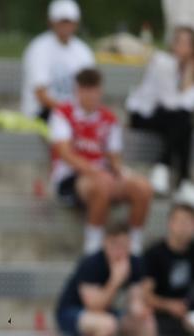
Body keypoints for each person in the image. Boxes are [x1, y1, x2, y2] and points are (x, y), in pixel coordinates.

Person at [50, 68, 153, 255]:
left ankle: (134, 245)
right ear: (77, 91)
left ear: (100, 90)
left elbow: (114, 157)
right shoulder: (62, 114)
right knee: (102, 185)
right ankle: (93, 246)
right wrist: (96, 172)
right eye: (85, 89)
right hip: (72, 178)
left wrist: (121, 172)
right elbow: (65, 154)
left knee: (143, 187)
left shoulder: (109, 118)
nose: (90, 95)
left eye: (94, 89)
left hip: (102, 176)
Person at [55, 222, 155, 336]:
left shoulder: (134, 263)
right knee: (107, 325)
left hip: (109, 314)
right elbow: (94, 306)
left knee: (146, 324)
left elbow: (135, 300)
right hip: (73, 313)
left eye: (124, 245)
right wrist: (115, 281)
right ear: (105, 243)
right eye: (114, 245)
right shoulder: (91, 263)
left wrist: (139, 310)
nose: (119, 251)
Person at [127, 26, 194, 203]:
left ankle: (164, 169)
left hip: (170, 120)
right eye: (178, 41)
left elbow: (186, 103)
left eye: (187, 43)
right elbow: (170, 102)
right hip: (144, 114)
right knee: (182, 121)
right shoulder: (162, 62)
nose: (181, 46)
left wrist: (188, 71)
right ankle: (183, 180)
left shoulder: (189, 69)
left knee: (183, 122)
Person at [21, 0, 95, 120]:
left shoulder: (84, 52)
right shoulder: (39, 48)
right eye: (61, 21)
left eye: (68, 22)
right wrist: (69, 114)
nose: (65, 26)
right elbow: (41, 94)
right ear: (51, 22)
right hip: (42, 113)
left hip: (72, 115)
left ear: (76, 23)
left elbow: (89, 90)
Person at [143, 202, 194, 336]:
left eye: (190, 222)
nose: (185, 227)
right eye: (181, 221)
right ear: (170, 223)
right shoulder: (154, 254)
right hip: (161, 314)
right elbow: (146, 295)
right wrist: (169, 305)